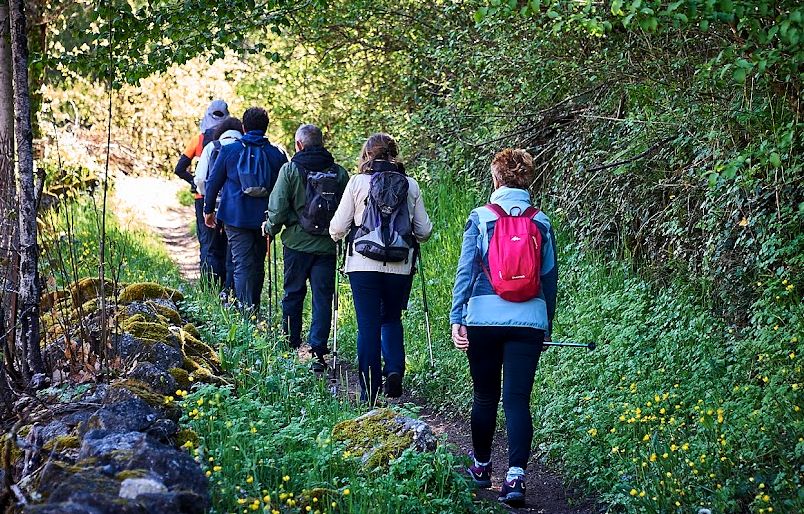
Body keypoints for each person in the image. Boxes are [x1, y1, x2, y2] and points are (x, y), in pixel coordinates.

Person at [449, 148, 557, 507]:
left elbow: (466, 271)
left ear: (495, 178)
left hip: (483, 316)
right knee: (517, 400)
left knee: (484, 396)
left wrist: (457, 317)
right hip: (529, 319)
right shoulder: (541, 221)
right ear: (528, 180)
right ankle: (515, 478)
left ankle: (481, 469)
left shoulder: (480, 217)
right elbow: (549, 279)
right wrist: (546, 324)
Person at [330, 133, 432, 402]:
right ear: (394, 154)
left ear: (367, 155)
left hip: (362, 264)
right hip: (399, 264)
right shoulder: (410, 185)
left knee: (368, 326)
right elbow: (424, 231)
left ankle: (369, 391)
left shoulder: (357, 183)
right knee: (391, 318)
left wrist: (340, 234)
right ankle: (395, 369)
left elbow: (338, 228)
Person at [263, 124, 349, 371]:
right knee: (323, 298)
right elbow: (347, 211)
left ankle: (290, 346)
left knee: (293, 293)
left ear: (299, 145)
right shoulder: (339, 173)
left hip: (296, 244)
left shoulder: (290, 170)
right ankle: (318, 352)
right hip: (327, 247)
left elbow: (278, 208)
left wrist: (270, 227)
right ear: (321, 143)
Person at [203, 107, 288, 312]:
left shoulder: (230, 150)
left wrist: (208, 210)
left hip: (235, 216)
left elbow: (213, 182)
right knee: (258, 263)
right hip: (264, 219)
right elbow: (285, 188)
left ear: (243, 127)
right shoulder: (276, 154)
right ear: (266, 127)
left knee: (241, 263)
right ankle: (254, 307)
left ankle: (244, 311)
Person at [174, 99, 230, 282]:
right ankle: (225, 287)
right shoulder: (233, 139)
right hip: (228, 198)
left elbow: (179, 168)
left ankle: (208, 286)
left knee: (207, 241)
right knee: (226, 242)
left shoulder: (198, 140)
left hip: (203, 196)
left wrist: (193, 182)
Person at [194, 117, 243, 293]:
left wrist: (207, 200)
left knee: (212, 247)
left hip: (212, 205)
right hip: (237, 207)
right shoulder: (244, 148)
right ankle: (230, 291)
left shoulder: (211, 147)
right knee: (233, 250)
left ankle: (210, 289)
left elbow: (200, 179)